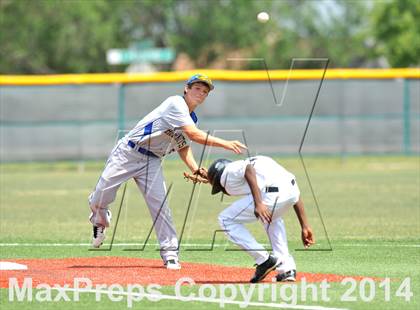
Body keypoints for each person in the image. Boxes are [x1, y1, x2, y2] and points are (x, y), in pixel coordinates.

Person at [88, 73, 246, 270]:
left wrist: (195, 169)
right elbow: (193, 135)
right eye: (197, 87)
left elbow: (183, 146)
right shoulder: (175, 104)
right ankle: (99, 220)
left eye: (205, 91)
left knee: (160, 206)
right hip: (128, 152)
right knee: (100, 197)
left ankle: (170, 253)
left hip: (152, 162)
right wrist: (226, 144)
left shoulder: (191, 118)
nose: (201, 92)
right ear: (186, 89)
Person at [207, 155, 315, 282]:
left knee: (225, 219)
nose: (223, 191)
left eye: (219, 188)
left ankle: (263, 259)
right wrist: (305, 225)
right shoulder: (259, 163)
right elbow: (293, 191)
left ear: (220, 178)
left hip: (271, 195)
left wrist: (258, 203)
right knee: (270, 218)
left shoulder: (228, 171)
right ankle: (287, 268)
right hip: (290, 192)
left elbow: (248, 169)